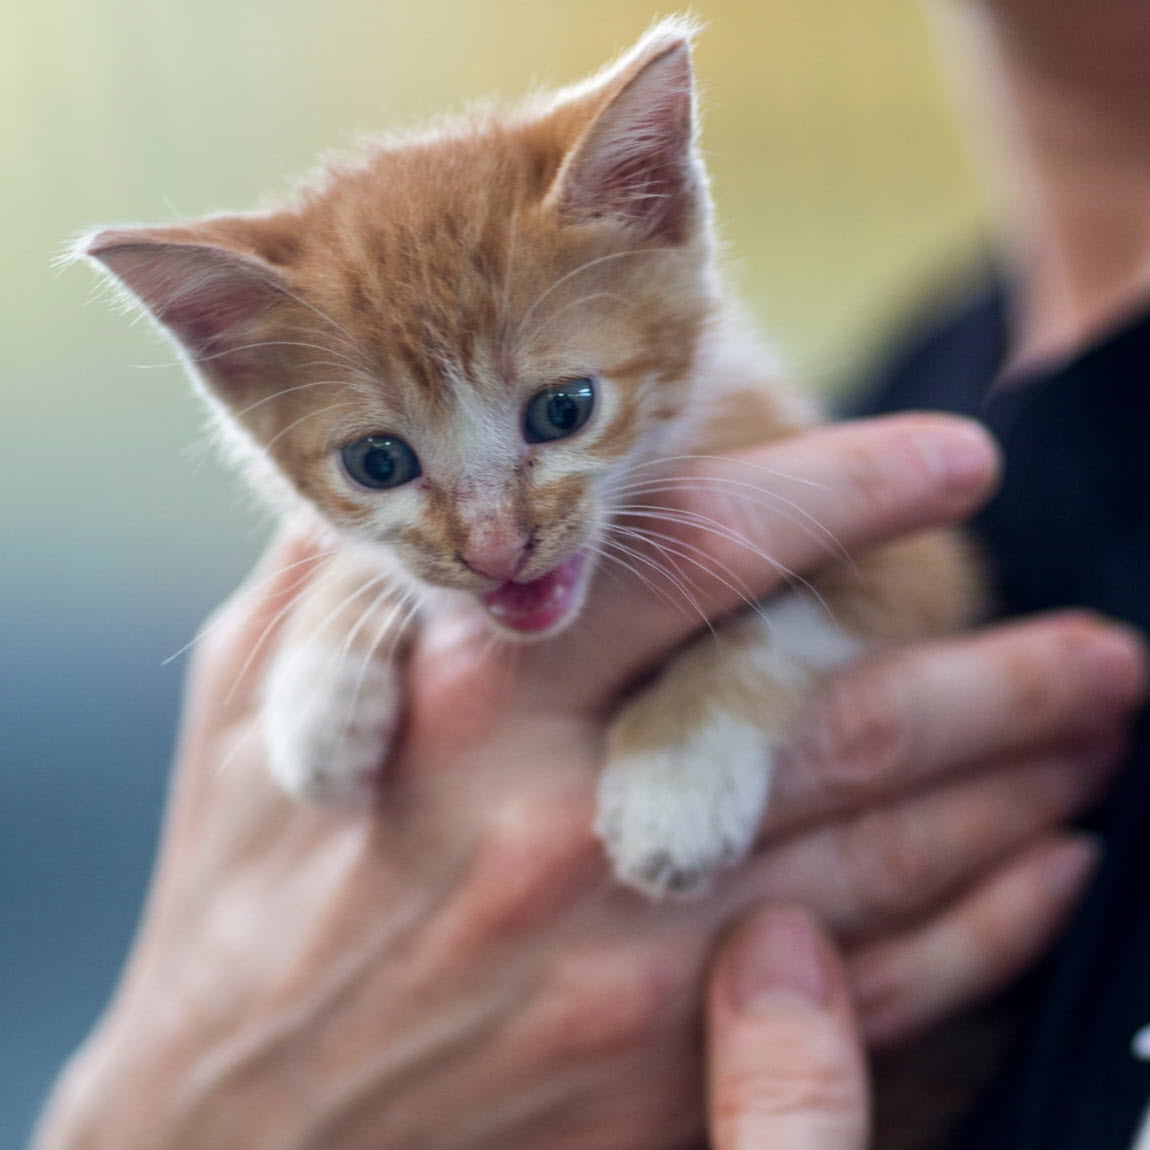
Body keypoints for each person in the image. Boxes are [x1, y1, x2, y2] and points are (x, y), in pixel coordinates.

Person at [32, 2, 1150, 1148]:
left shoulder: (755, 434)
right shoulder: (930, 357)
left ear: (656, 209)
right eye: (384, 462)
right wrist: (339, 622)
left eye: (559, 413)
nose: (492, 540)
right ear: (228, 365)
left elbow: (906, 586)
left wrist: (715, 708)